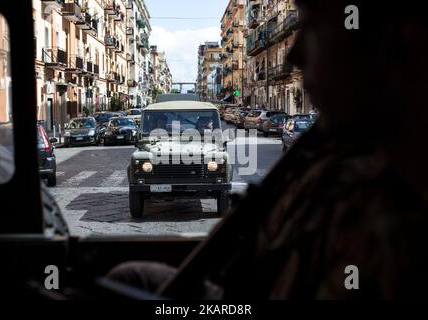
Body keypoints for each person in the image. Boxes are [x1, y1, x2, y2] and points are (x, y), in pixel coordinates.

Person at [107, 0, 428, 299]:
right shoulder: (333, 149)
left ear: (391, 42)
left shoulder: (390, 202)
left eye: (314, 27)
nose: (294, 56)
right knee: (132, 277)